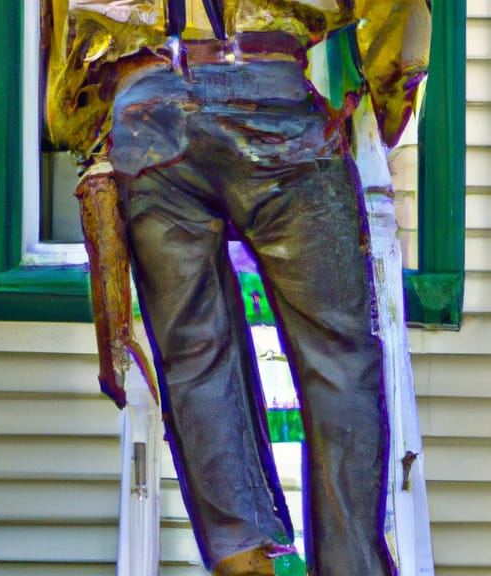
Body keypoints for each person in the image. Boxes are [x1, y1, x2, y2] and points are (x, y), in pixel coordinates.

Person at [43, 1, 431, 574]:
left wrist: (84, 122)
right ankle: (350, 564)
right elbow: (398, 19)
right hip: (270, 97)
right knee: (338, 356)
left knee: (194, 356)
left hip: (146, 113)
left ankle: (244, 562)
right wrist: (382, 105)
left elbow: (66, 57)